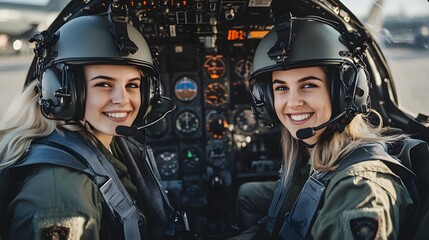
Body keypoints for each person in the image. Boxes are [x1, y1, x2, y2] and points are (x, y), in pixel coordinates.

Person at [0, 11, 182, 240]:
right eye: (104, 84)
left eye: (132, 85)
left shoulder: (108, 146)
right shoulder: (60, 195)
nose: (122, 99)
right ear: (63, 93)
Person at [231, 15, 414, 239]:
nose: (293, 102)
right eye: (281, 88)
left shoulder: (359, 190)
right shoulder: (317, 156)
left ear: (344, 94)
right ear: (266, 100)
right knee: (246, 194)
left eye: (308, 85)